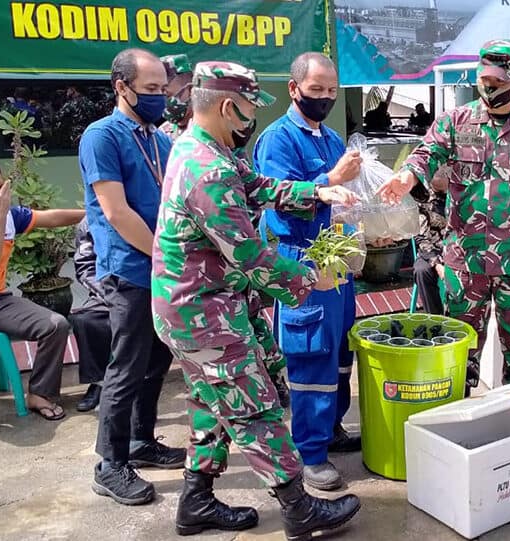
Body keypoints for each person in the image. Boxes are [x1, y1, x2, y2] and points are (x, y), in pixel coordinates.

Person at [152, 60, 361, 538]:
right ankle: (298, 508)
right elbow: (250, 256)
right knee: (255, 406)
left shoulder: (207, 149)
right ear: (229, 106)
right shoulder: (207, 169)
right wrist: (313, 279)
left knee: (213, 404)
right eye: (248, 109)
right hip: (202, 314)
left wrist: (321, 189)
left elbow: (261, 187)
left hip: (201, 306)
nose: (252, 119)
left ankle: (196, 500)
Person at [377, 39, 510, 389]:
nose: (489, 88)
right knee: (459, 353)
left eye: (497, 83)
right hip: (466, 260)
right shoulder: (455, 122)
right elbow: (426, 153)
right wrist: (407, 175)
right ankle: (457, 427)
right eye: (484, 81)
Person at [252, 52, 363, 492]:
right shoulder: (276, 140)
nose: (325, 98)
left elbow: (345, 194)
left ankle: (331, 429)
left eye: (332, 91)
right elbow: (280, 198)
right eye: (316, 90)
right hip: (301, 258)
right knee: (310, 354)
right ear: (294, 89)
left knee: (339, 353)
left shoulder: (333, 137)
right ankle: (309, 452)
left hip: (336, 256)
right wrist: (332, 177)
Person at [79, 48, 185, 506]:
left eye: (163, 90)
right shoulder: (102, 137)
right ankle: (110, 463)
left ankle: (141, 441)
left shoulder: (159, 140)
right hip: (130, 271)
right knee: (125, 367)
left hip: (162, 270)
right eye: (151, 90)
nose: (161, 98)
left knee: (156, 361)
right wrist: (164, 255)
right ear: (122, 87)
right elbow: (116, 212)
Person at [0, 155, 82, 443]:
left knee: (56, 324)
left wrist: (95, 211)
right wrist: (0, 215)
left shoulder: (10, 215)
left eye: (1, 189)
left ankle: (40, 394)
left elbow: (48, 217)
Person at [68, 217, 112, 413]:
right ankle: (99, 381)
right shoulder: (89, 223)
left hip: (149, 288)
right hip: (108, 292)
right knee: (85, 320)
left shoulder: (147, 207)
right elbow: (86, 268)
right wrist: (110, 294)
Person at [412, 179, 447, 315]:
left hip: (458, 249)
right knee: (422, 271)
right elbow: (420, 237)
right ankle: (436, 320)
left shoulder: (462, 193)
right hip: (430, 250)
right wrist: (437, 264)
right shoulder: (421, 196)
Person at [159, 54, 194, 140]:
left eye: (167, 95)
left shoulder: (210, 132)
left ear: (190, 91)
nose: (161, 101)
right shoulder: (162, 134)